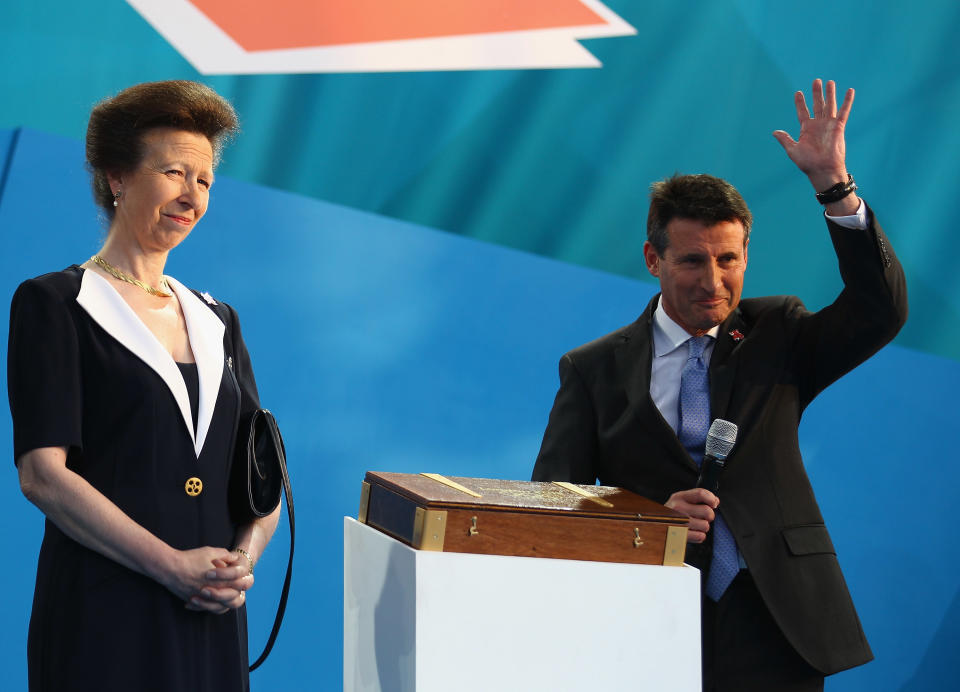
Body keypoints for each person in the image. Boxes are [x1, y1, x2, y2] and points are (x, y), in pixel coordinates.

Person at [532, 79, 907, 690]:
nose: (714, 280)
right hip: (645, 619)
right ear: (653, 260)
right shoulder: (593, 369)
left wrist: (834, 190)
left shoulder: (778, 333)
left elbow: (880, 310)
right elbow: (552, 502)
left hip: (776, 619)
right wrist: (648, 518)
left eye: (728, 259)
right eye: (692, 260)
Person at [7, 81, 280, 691]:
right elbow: (43, 475)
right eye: (174, 171)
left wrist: (240, 565)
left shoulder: (219, 319)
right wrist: (171, 567)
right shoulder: (55, 303)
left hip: (208, 616)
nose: (191, 195)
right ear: (118, 178)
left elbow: (263, 473)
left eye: (205, 181)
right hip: (103, 616)